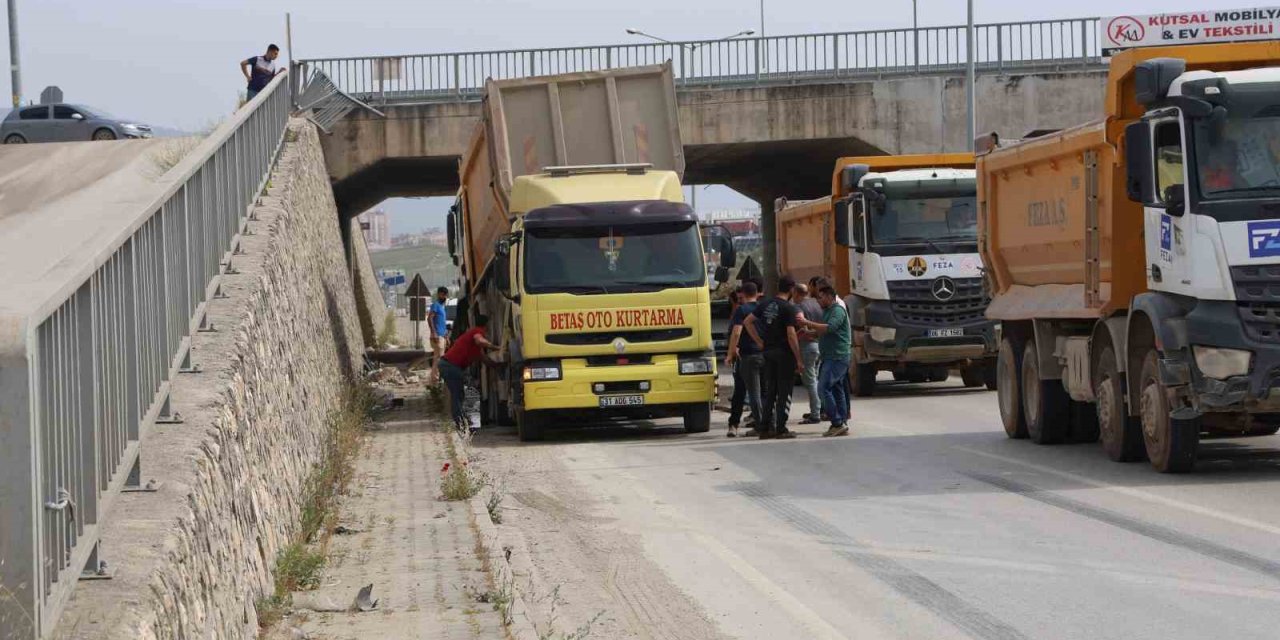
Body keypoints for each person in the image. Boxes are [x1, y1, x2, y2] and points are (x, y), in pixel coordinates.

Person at [745, 275, 805, 440]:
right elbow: (791, 334)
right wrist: (799, 358)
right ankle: (781, 428)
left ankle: (765, 428)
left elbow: (748, 322)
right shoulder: (788, 308)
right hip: (784, 353)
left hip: (768, 352)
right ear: (792, 289)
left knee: (771, 391)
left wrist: (759, 341)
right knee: (784, 392)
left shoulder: (765, 304)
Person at [797, 286, 853, 437]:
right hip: (830, 355)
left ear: (829, 296)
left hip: (837, 356)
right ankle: (841, 422)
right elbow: (823, 332)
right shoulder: (827, 311)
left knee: (823, 388)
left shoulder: (837, 311)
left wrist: (806, 321)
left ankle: (837, 422)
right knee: (836, 388)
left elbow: (830, 328)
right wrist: (809, 333)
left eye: (821, 297)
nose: (818, 301)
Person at [439, 316, 501, 430]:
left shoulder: (474, 347)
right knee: (458, 395)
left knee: (459, 394)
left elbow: (484, 358)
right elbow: (479, 340)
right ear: (486, 326)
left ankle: (462, 421)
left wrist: (497, 366)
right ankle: (461, 423)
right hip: (451, 366)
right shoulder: (477, 331)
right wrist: (496, 347)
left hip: (448, 365)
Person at [724, 281, 764, 438]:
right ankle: (766, 421)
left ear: (743, 294)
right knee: (764, 392)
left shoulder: (742, 310)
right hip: (763, 354)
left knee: (742, 392)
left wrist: (730, 353)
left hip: (746, 355)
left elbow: (736, 333)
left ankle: (735, 425)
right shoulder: (764, 308)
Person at [792, 283, 824, 425]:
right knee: (815, 379)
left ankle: (816, 414)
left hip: (807, 346)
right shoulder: (816, 304)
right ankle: (818, 409)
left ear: (796, 293)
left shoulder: (798, 306)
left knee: (810, 381)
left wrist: (804, 331)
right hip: (820, 344)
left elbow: (800, 320)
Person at [428, 287, 450, 383]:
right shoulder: (435, 305)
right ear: (438, 294)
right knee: (439, 360)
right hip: (437, 337)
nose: (444, 296)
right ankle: (436, 380)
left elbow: (442, 324)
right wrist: (434, 333)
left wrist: (446, 337)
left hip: (442, 337)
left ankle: (435, 379)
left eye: (445, 295)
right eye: (442, 294)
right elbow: (430, 318)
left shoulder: (442, 307)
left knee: (438, 358)